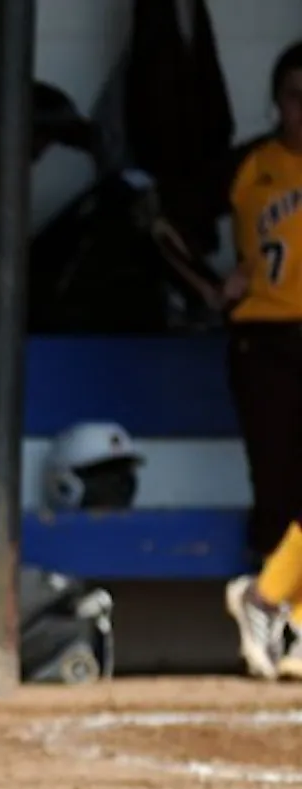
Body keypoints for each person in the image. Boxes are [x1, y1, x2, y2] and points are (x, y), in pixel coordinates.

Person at [221, 41, 302, 681]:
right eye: (295, 94)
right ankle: (276, 613)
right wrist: (213, 280)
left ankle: (269, 601)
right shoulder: (250, 166)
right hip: (265, 337)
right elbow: (169, 220)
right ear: (277, 101)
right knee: (277, 486)